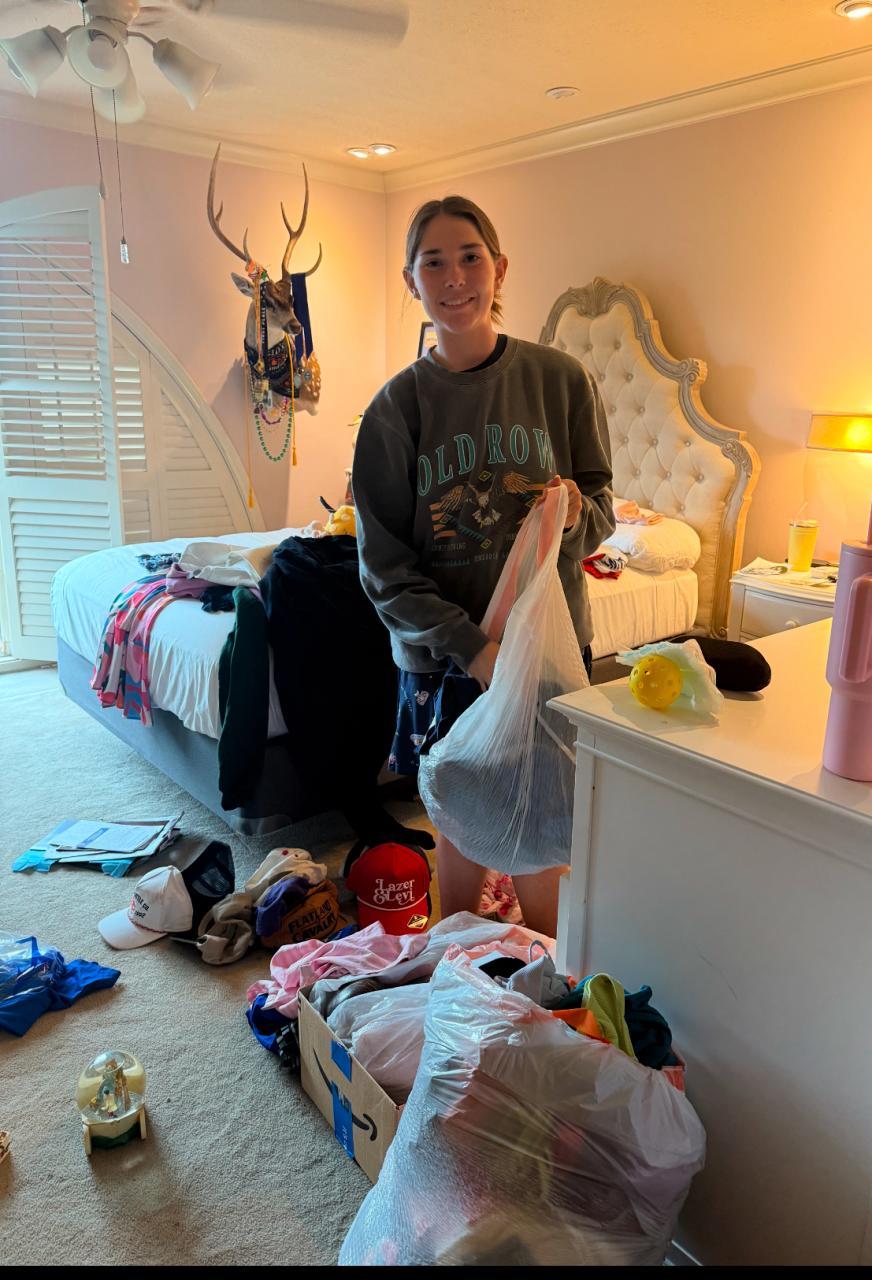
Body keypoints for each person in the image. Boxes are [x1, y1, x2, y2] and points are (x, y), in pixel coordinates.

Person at [352, 195, 614, 936]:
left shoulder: (561, 380)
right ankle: (456, 949)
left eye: (470, 257)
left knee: (543, 809)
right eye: (433, 262)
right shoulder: (394, 410)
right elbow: (384, 570)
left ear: (499, 268)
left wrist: (571, 518)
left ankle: (546, 964)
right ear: (410, 280)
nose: (454, 277)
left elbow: (603, 510)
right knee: (458, 807)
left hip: (548, 653)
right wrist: (474, 649)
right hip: (444, 660)